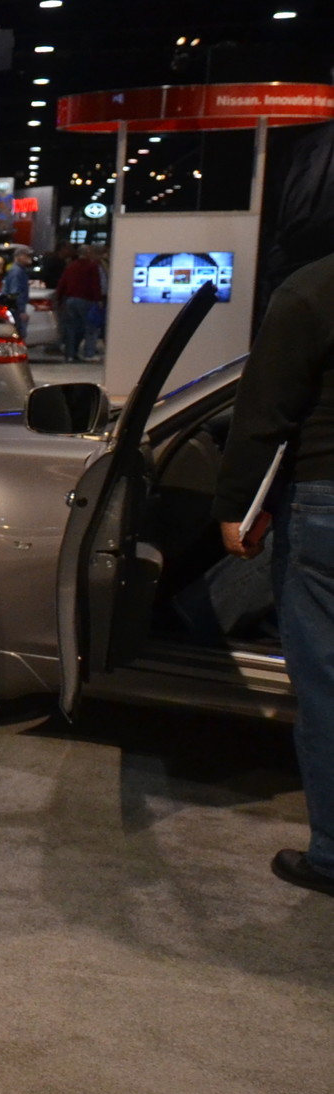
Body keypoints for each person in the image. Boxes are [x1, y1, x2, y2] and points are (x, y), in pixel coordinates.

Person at [215, 251, 334, 898]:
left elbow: (265, 412)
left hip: (326, 505)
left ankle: (333, 855)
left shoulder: (313, 290)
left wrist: (236, 507)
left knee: (327, 686)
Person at [56, 244, 104, 363]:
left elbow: (62, 282)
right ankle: (89, 353)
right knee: (90, 328)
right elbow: (95, 284)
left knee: (71, 328)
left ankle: (70, 355)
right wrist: (98, 300)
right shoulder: (92, 266)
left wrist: (59, 298)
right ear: (88, 254)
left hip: (70, 300)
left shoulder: (71, 266)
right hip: (86, 300)